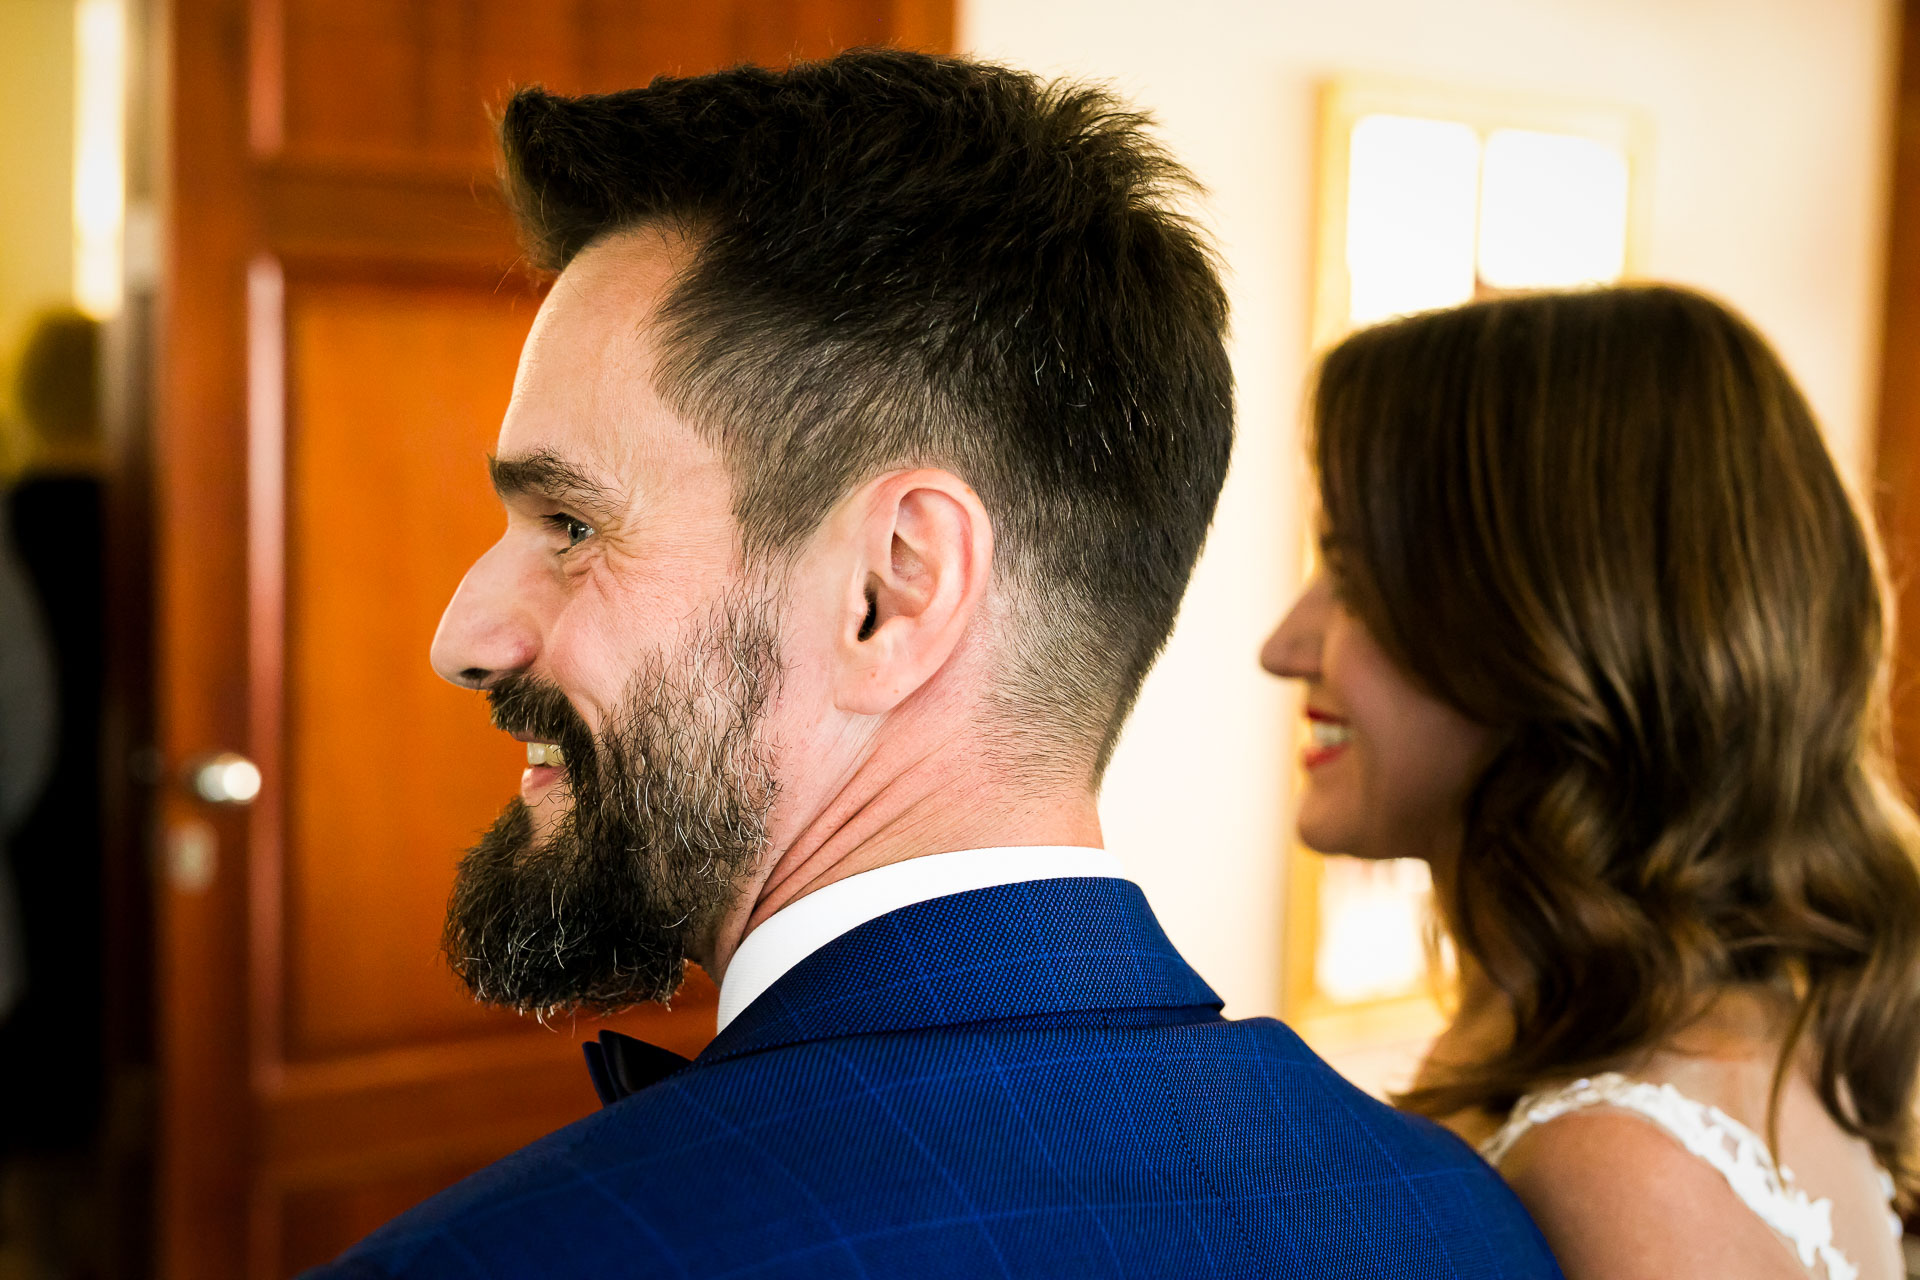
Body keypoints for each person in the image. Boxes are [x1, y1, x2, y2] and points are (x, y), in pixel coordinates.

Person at [307, 49, 1559, 1280]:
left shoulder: (489, 1261)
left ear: (892, 586)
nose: (463, 637)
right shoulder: (1466, 1220)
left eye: (572, 525)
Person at [1263, 284, 1920, 1280]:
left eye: (1352, 579)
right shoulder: (1748, 1031)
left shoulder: (1612, 1166)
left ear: (1545, 623)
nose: (1283, 646)